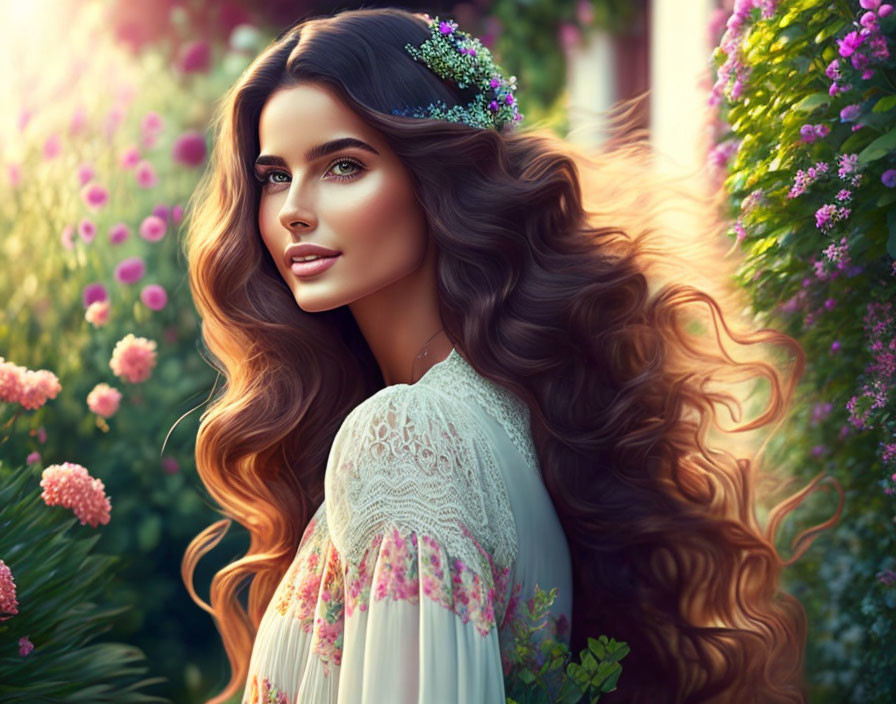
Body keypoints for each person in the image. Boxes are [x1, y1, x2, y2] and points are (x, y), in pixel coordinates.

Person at [181, 8, 840, 703]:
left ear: (439, 176)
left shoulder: (405, 439)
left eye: (343, 165)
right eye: (274, 175)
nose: (293, 209)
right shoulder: (516, 419)